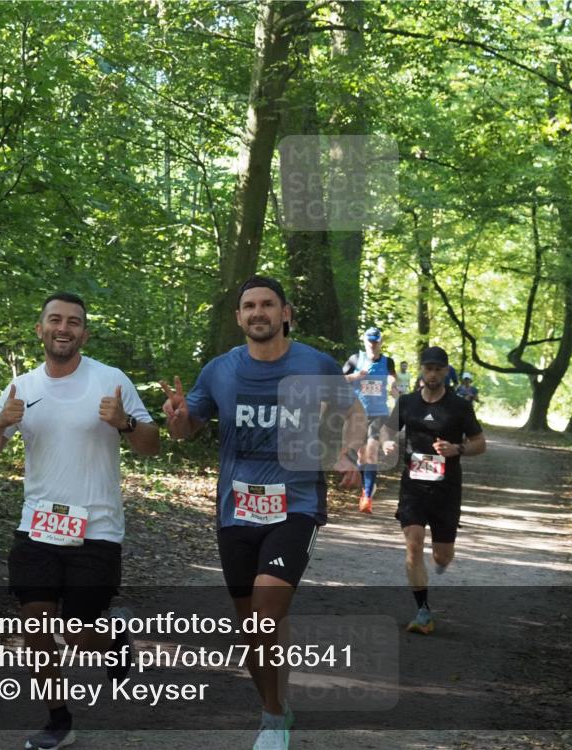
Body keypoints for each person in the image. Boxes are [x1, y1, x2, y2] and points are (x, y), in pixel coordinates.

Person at [160, 276, 362, 750]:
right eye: (249, 305)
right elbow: (186, 431)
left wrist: (350, 453)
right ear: (238, 317)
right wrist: (177, 420)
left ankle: (272, 719)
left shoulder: (315, 364)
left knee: (267, 611)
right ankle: (276, 703)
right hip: (237, 510)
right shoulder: (219, 370)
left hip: (296, 504)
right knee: (250, 624)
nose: (258, 313)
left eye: (267, 305)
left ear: (285, 313)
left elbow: (352, 411)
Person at [0, 292, 159, 750]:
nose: (63, 328)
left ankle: (113, 638)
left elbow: (151, 445)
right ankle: (57, 719)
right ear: (40, 329)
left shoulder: (110, 380)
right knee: (35, 627)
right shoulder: (23, 387)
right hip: (37, 525)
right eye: (54, 320)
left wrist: (126, 424)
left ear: (84, 333)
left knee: (77, 630)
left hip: (96, 528)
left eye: (73, 322)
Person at [382, 346, 486, 635]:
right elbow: (388, 430)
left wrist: (458, 448)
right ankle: (423, 611)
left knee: (442, 556)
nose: (433, 373)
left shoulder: (459, 407)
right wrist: (387, 442)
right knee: (413, 545)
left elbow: (480, 443)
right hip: (413, 486)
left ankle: (440, 563)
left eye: (438, 368)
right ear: (421, 370)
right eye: (428, 368)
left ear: (445, 371)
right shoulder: (407, 403)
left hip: (447, 490)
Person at [342, 327, 397, 513]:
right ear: (364, 341)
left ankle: (366, 496)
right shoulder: (355, 359)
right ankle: (366, 483)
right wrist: (354, 376)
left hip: (378, 413)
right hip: (357, 413)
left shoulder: (387, 362)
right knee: (361, 455)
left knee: (372, 452)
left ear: (381, 342)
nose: (372, 345)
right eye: (369, 341)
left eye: (376, 341)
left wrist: (393, 386)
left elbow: (393, 379)